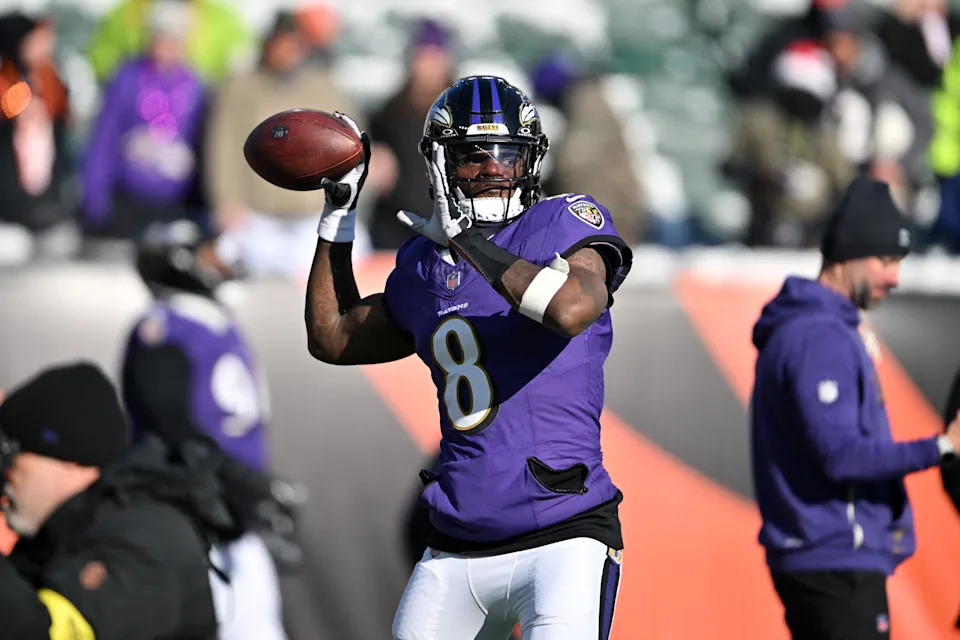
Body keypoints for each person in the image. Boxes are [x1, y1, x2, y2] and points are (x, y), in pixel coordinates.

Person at [305, 76, 632, 639]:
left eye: (507, 156)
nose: (491, 170)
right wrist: (339, 215)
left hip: (563, 533)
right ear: (438, 164)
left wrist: (469, 244)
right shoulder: (424, 264)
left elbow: (572, 307)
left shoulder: (564, 220)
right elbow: (333, 335)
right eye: (471, 157)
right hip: (456, 541)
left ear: (531, 161)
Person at [750, 175, 960, 640]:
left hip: (828, 558)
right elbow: (843, 456)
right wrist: (944, 446)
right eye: (886, 260)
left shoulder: (827, 328)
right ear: (848, 254)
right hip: (833, 561)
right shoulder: (818, 335)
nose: (895, 277)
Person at [121, 220, 297, 639]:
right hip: (190, 512)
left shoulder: (216, 323)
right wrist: (241, 484)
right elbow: (174, 429)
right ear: (180, 262)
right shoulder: (164, 328)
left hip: (232, 514)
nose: (224, 262)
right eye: (209, 254)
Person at [0, 361, 235, 639]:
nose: (5, 474)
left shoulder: (147, 539)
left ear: (69, 459)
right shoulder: (52, 543)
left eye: (11, 455)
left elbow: (49, 633)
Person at [81, 0, 207, 245]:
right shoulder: (127, 77)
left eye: (176, 38)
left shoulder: (196, 86)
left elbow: (204, 145)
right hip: (127, 200)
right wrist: (95, 198)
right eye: (162, 35)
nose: (168, 44)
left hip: (175, 205)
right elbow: (103, 140)